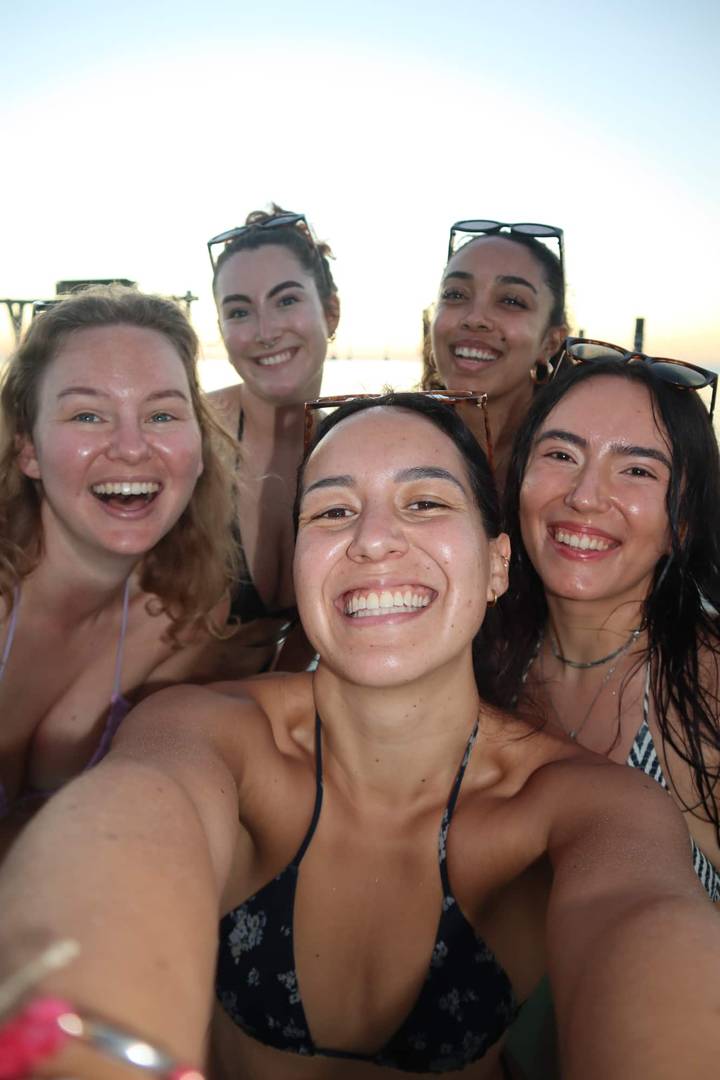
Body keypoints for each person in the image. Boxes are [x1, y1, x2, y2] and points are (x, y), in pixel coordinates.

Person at [0, 392, 718, 1080]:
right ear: (299, 560)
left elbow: (647, 929)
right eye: (334, 509)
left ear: (497, 564)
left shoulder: (585, 807)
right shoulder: (206, 731)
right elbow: (124, 829)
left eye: (426, 503)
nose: (373, 540)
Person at [495, 348, 720, 1078]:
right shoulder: (479, 664)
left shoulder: (706, 686)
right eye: (561, 454)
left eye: (638, 469)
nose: (586, 496)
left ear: (684, 520)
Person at [0, 284, 238, 833]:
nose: (131, 447)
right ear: (28, 450)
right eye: (88, 416)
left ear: (199, 447)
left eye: (160, 416)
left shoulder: (187, 610)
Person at [207, 205, 340, 670]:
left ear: (331, 312)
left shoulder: (365, 445)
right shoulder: (190, 436)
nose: (265, 332)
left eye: (285, 300)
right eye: (240, 311)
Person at [424, 220, 568, 491]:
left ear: (549, 342)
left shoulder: (573, 464)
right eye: (455, 294)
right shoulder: (394, 440)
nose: (475, 318)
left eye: (511, 300)